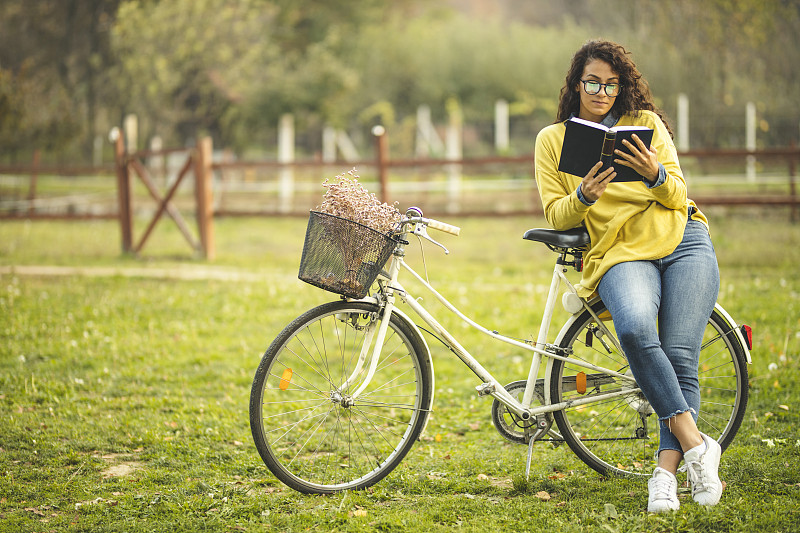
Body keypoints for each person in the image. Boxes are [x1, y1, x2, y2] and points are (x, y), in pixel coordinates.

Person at [534, 39, 722, 513]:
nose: (602, 92)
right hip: (620, 253)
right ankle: (698, 445)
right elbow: (557, 214)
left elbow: (678, 195)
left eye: (611, 84)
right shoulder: (552, 140)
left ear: (621, 87)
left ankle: (665, 474)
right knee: (637, 329)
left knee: (680, 357)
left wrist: (656, 173)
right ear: (577, 84)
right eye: (592, 83)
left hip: (683, 241)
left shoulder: (647, 125)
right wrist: (584, 196)